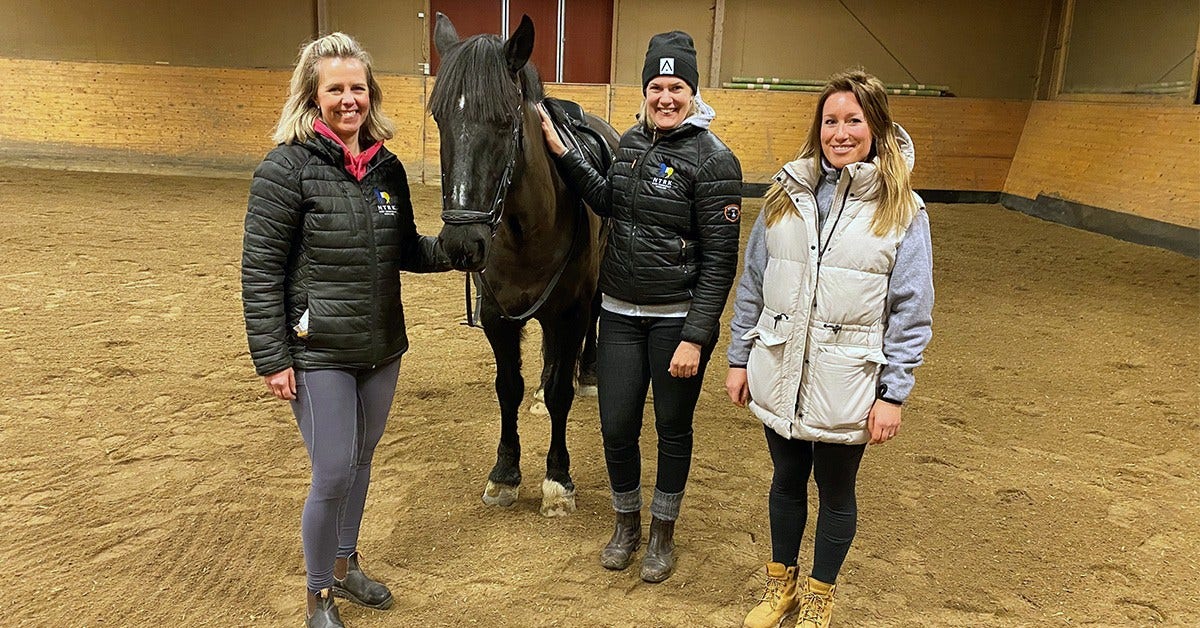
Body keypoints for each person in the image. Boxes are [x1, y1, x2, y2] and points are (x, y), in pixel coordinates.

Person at [241, 32, 449, 628]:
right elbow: (261, 270)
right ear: (313, 95)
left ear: (371, 93)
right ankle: (317, 598)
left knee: (360, 461)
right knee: (332, 467)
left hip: (381, 347)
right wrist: (271, 356)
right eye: (335, 89)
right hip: (317, 350)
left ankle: (344, 562)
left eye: (357, 87)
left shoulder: (388, 168)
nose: (348, 99)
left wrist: (459, 250)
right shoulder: (286, 169)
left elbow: (405, 248)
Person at [725, 70, 934, 628]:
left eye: (853, 121)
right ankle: (781, 587)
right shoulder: (784, 194)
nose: (840, 133)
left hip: (849, 381)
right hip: (779, 367)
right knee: (786, 480)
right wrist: (739, 357)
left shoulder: (904, 212)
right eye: (830, 121)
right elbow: (752, 284)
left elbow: (911, 314)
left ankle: (820, 594)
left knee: (836, 492)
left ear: (877, 126)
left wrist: (893, 394)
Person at [538, 31, 743, 583]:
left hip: (675, 321)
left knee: (673, 429)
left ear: (694, 93)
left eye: (677, 87)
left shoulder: (715, 161)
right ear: (645, 90)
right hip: (619, 318)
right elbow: (608, 199)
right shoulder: (630, 143)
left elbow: (721, 263)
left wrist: (696, 337)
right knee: (616, 426)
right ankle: (626, 523)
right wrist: (565, 153)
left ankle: (661, 533)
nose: (666, 97)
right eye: (656, 86)